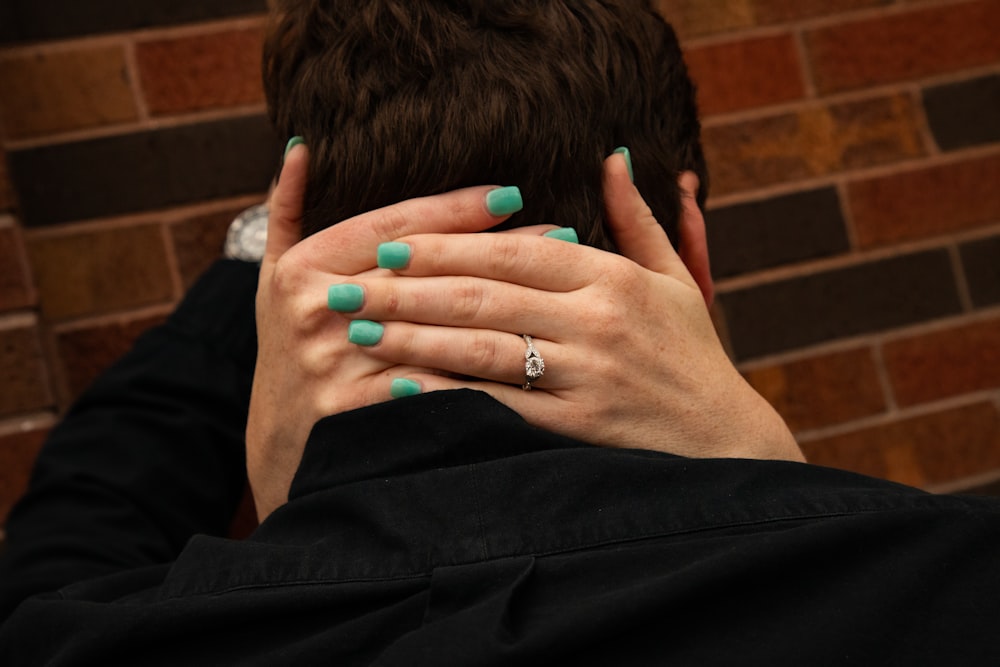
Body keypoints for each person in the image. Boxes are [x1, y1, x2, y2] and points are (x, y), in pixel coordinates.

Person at [2, 1, 999, 665]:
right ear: (688, 241)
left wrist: (258, 309)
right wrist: (780, 478)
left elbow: (83, 515)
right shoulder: (954, 587)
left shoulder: (72, 639)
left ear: (295, 270)